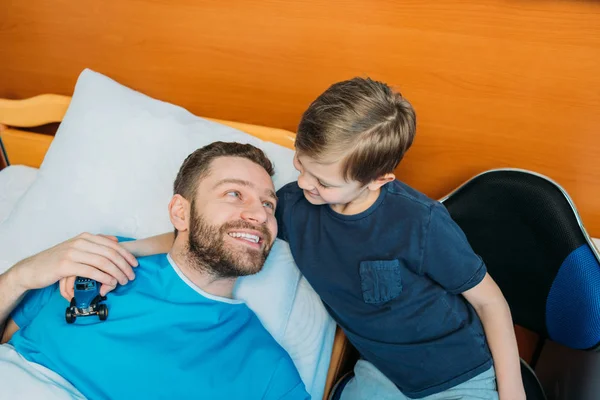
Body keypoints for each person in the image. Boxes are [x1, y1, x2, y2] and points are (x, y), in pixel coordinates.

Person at [102, 78, 526, 399]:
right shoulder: (293, 205)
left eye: (323, 181)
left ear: (379, 180)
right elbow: (211, 235)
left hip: (457, 375)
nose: (303, 183)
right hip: (381, 372)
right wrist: (124, 248)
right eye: (300, 165)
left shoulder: (421, 224)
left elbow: (491, 302)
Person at [0, 142, 309, 400]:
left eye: (268, 204)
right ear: (180, 212)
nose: (259, 213)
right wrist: (21, 276)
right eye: (234, 194)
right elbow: (7, 339)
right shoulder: (96, 258)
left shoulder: (266, 369)